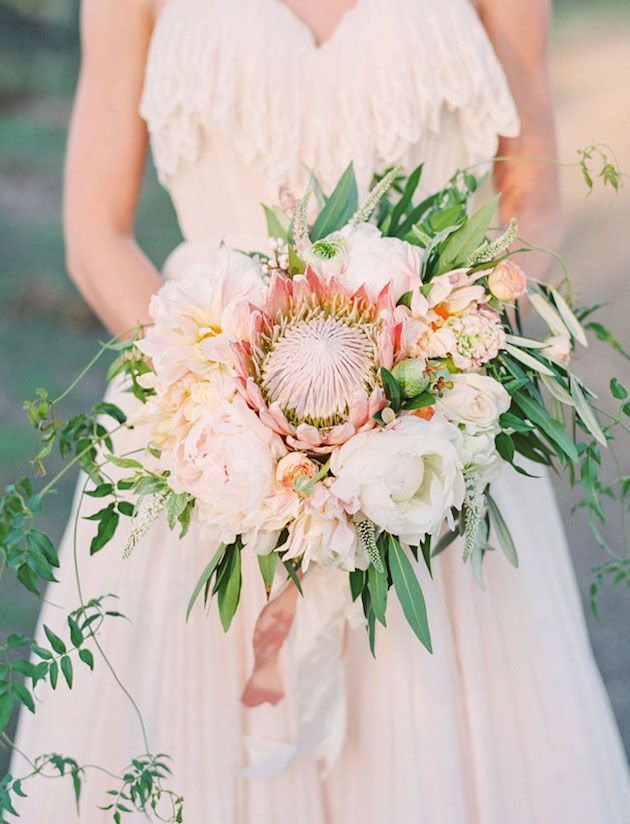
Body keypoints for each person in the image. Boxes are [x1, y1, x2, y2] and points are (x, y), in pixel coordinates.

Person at [11, 0, 630, 821]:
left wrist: (442, 366)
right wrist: (227, 392)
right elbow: (95, 234)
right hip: (201, 439)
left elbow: (534, 198)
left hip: (431, 437)